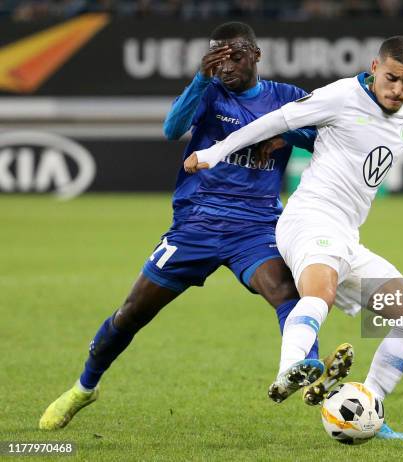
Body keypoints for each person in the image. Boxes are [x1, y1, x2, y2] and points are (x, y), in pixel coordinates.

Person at [183, 35, 403, 440]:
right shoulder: (341, 96)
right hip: (309, 220)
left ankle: (369, 407)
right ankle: (289, 368)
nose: (398, 90)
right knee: (320, 294)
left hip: (347, 237)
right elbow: (277, 120)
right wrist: (217, 152)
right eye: (391, 78)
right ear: (374, 67)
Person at [39, 21, 353, 431]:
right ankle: (84, 387)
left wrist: (283, 134)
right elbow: (172, 130)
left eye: (235, 56)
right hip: (197, 223)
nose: (226, 67)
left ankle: (302, 366)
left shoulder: (285, 98)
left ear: (256, 54)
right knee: (132, 312)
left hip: (256, 227)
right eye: (218, 58)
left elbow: (322, 139)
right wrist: (198, 80)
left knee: (286, 293)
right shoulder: (209, 92)